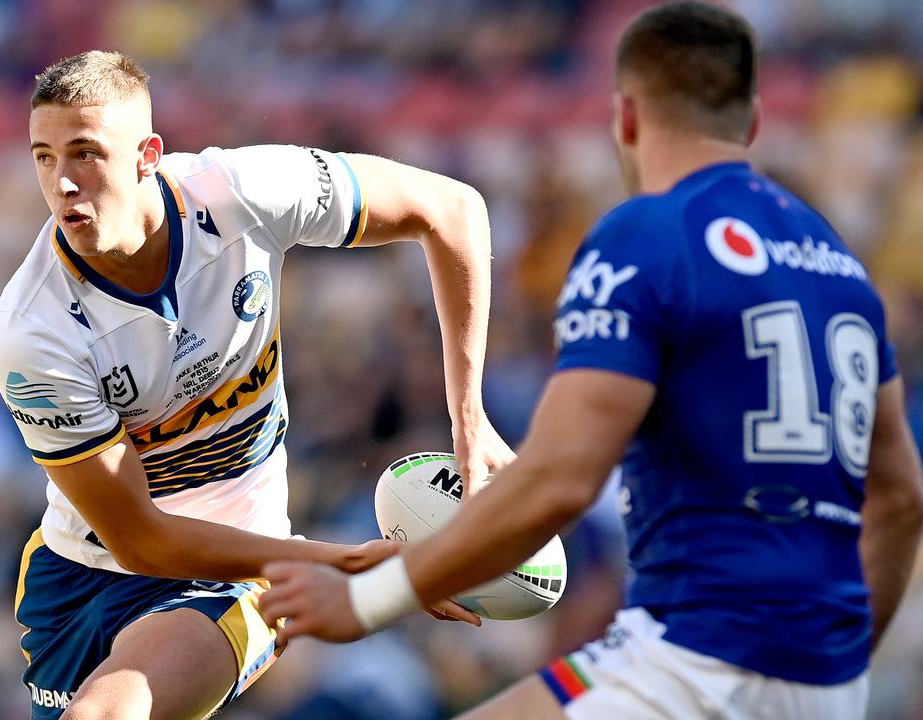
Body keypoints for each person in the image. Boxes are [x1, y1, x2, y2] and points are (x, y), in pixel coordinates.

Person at [259, 3, 923, 719]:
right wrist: (832, 671)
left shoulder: (649, 233)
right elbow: (899, 500)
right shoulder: (839, 268)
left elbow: (561, 479)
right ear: (753, 121)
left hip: (687, 664)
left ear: (626, 119)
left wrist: (368, 600)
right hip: (823, 683)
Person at [0, 50, 514, 720]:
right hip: (81, 575)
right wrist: (341, 561)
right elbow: (139, 539)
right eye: (43, 157)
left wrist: (469, 418)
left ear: (148, 154)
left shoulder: (242, 193)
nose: (62, 183)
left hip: (234, 569)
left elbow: (453, 209)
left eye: (86, 153)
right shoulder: (32, 331)